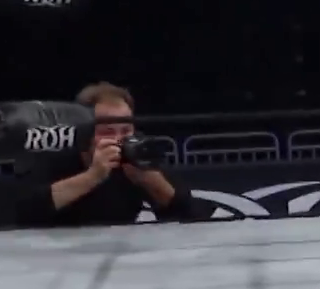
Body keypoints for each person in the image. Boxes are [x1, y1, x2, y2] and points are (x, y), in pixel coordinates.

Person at [13, 82, 195, 226]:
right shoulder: (55, 150)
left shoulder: (138, 151)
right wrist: (92, 176)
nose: (118, 139)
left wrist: (151, 181)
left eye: (126, 130)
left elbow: (191, 214)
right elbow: (24, 212)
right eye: (107, 132)